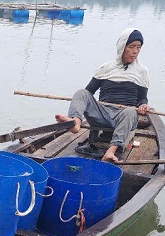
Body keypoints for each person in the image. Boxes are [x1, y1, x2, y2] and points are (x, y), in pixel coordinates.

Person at [55, 27, 151, 163]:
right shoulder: (106, 68)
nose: (135, 51)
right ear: (122, 46)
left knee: (130, 111)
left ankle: (110, 152)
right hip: (102, 113)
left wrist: (142, 105)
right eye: (131, 47)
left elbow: (142, 98)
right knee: (81, 93)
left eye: (139, 47)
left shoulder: (142, 72)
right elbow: (89, 92)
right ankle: (75, 123)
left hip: (124, 116)